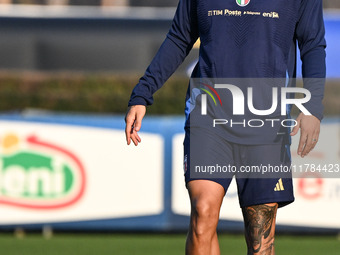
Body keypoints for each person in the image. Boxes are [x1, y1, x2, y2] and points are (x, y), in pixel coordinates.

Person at [125, 0, 326, 254]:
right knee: (202, 213)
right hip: (208, 117)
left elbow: (313, 44)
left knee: (259, 239)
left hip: (267, 122)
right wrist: (143, 93)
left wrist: (311, 108)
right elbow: (179, 37)